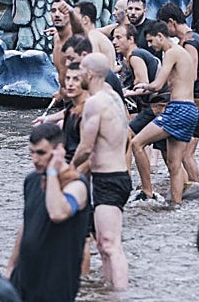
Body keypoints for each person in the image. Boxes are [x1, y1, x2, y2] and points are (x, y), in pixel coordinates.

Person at [7, 122, 91, 302]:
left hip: (56, 282)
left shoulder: (77, 186)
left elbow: (57, 213)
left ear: (58, 151)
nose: (35, 159)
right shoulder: (32, 180)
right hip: (25, 275)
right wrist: (11, 267)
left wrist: (53, 171)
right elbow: (26, 223)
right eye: (31, 152)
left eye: (41, 153)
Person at [71, 53, 130, 291]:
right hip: (117, 175)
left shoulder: (95, 103)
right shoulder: (112, 96)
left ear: (91, 74)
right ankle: (108, 292)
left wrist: (67, 171)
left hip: (108, 179)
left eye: (82, 69)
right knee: (104, 247)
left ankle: (122, 292)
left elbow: (85, 147)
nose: (78, 73)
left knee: (110, 244)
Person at [127, 20, 197, 204]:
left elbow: (157, 85)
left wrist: (138, 88)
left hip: (177, 109)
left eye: (151, 41)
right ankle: (176, 205)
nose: (150, 46)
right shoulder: (183, 53)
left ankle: (147, 191)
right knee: (174, 165)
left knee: (136, 143)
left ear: (160, 36)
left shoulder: (171, 52)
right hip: (190, 110)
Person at [160, 3, 199, 190]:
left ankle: (197, 191)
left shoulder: (190, 42)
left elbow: (190, 76)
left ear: (171, 22)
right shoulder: (194, 38)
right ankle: (187, 188)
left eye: (164, 26)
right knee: (181, 152)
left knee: (185, 154)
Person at [110, 22, 166, 203]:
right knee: (171, 158)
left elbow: (144, 84)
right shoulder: (130, 58)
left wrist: (125, 92)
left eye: (118, 38)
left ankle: (138, 186)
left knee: (131, 138)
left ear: (131, 39)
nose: (114, 42)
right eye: (113, 38)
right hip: (159, 106)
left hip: (158, 106)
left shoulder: (134, 56)